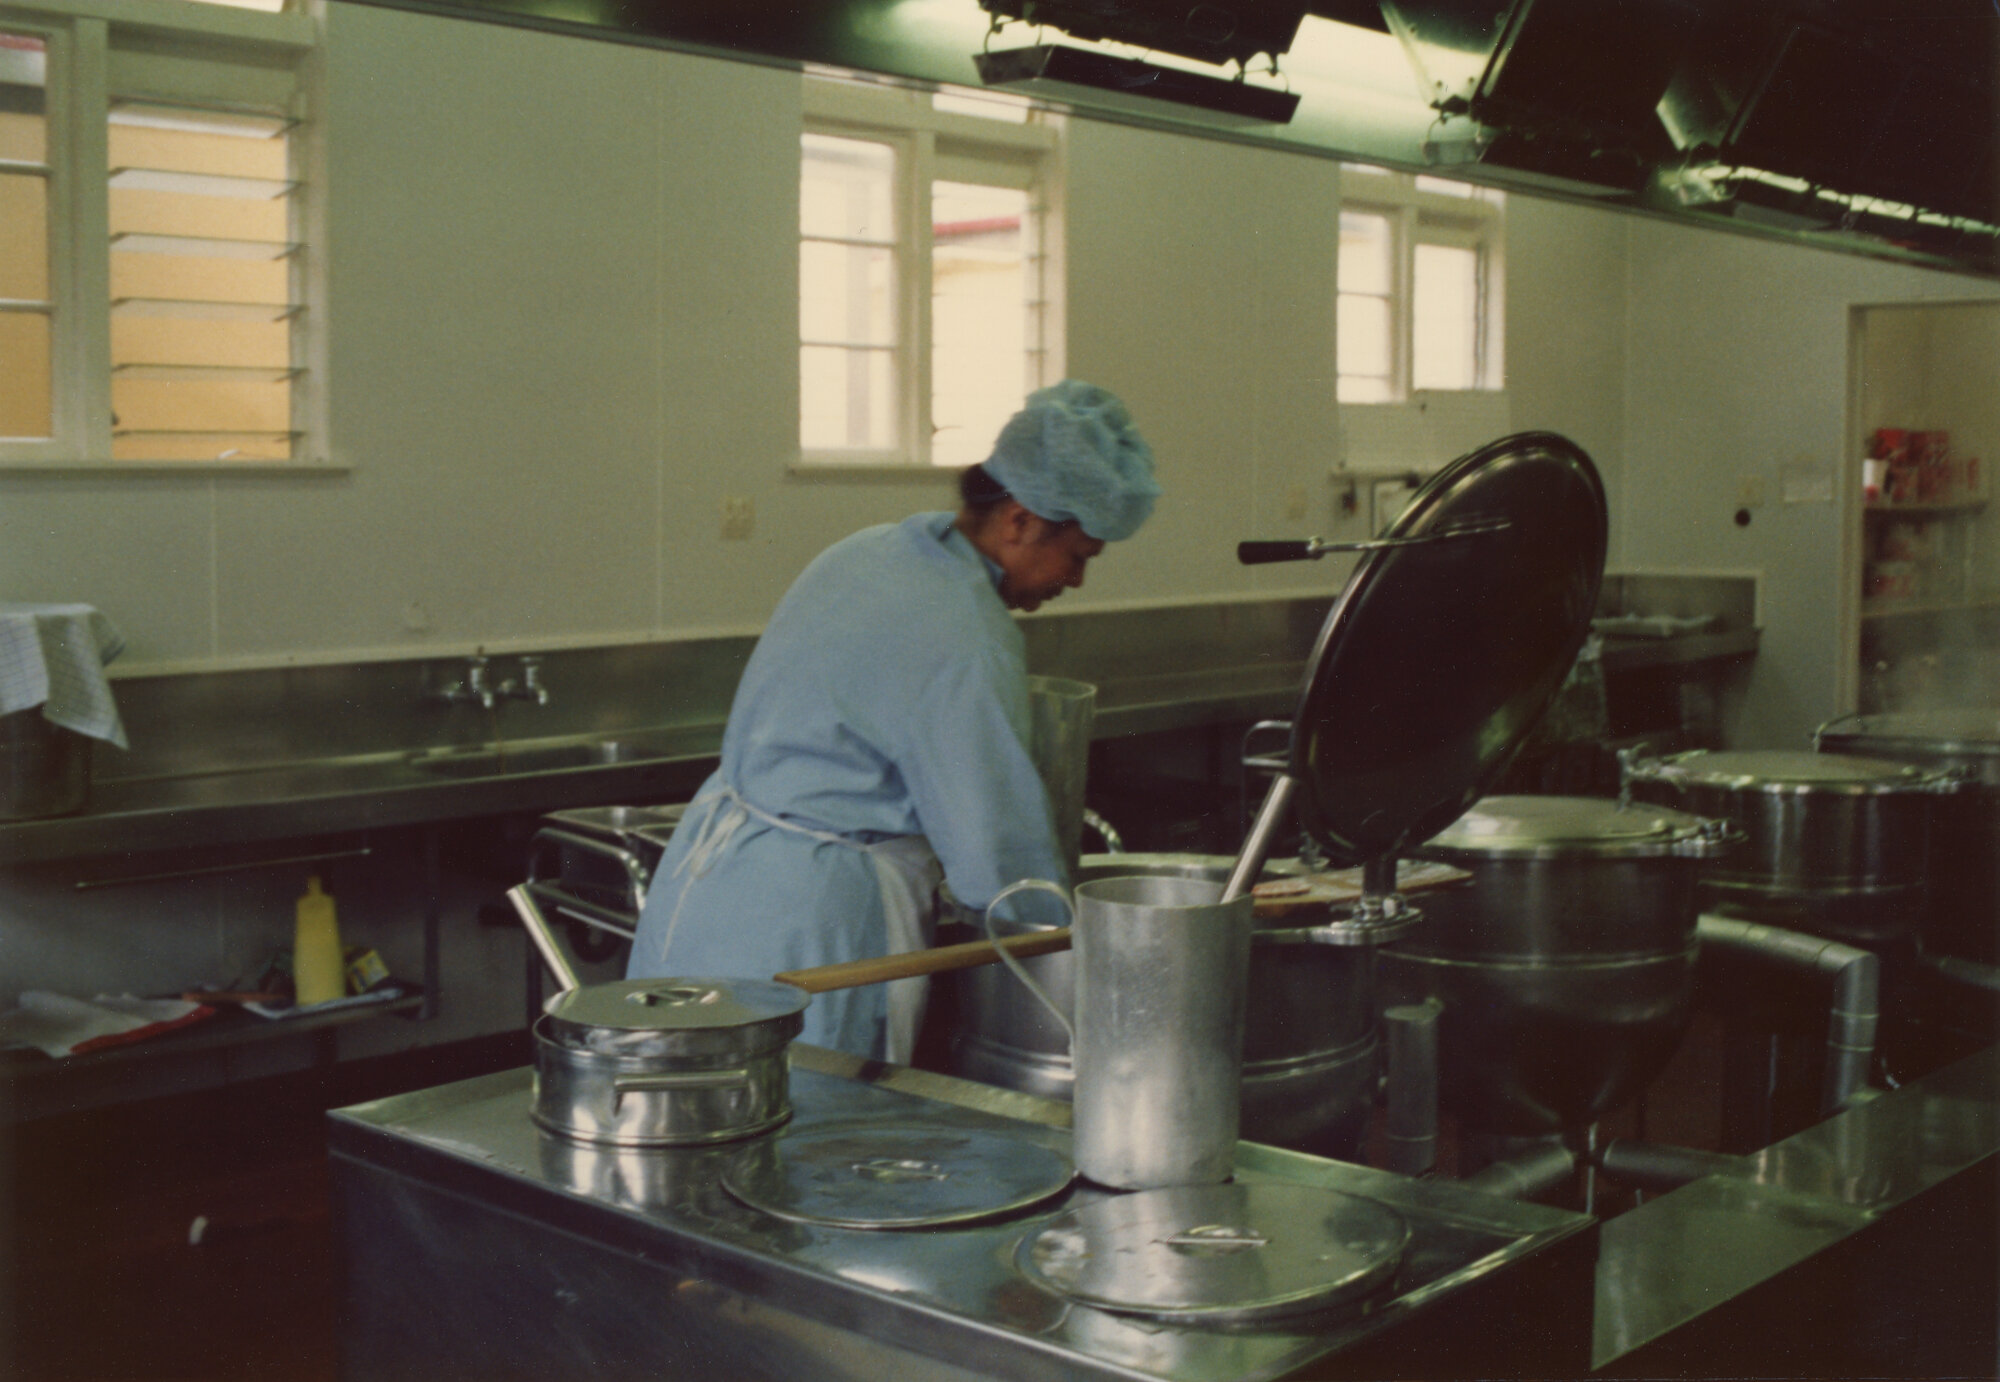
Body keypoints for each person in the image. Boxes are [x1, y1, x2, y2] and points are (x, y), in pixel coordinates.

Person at [626, 380, 1160, 1062]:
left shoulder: (873, 550)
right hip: (811, 922)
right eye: (1078, 557)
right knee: (808, 1130)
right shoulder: (965, 631)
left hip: (711, 892)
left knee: (685, 1111)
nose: (1076, 582)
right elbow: (996, 851)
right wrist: (1066, 953)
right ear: (1021, 520)